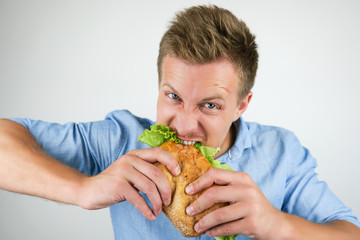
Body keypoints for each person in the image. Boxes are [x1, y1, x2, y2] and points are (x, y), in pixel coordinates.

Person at [0, 4, 359, 240]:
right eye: (173, 97)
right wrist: (82, 188)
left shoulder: (281, 153)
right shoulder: (121, 141)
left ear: (242, 104)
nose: (185, 125)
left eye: (210, 105)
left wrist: (277, 225)